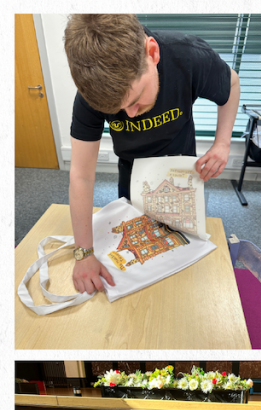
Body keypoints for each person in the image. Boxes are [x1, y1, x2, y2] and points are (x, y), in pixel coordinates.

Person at [63, 14, 240, 295]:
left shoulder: (189, 56)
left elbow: (230, 84)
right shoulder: (91, 94)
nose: (130, 115)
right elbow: (81, 176)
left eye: (135, 100)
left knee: (183, 269)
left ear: (153, 53)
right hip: (132, 174)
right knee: (140, 270)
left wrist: (222, 144)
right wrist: (83, 253)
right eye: (118, 111)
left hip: (182, 173)